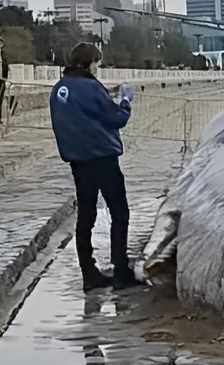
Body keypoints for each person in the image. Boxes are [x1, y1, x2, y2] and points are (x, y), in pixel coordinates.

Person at [49, 42, 143, 292]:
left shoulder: (59, 88)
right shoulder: (91, 87)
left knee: (86, 216)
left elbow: (82, 112)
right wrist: (125, 100)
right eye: (97, 62)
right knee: (119, 212)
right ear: (88, 62)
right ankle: (121, 270)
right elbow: (117, 119)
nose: (98, 67)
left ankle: (89, 274)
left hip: (78, 161)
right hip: (103, 158)